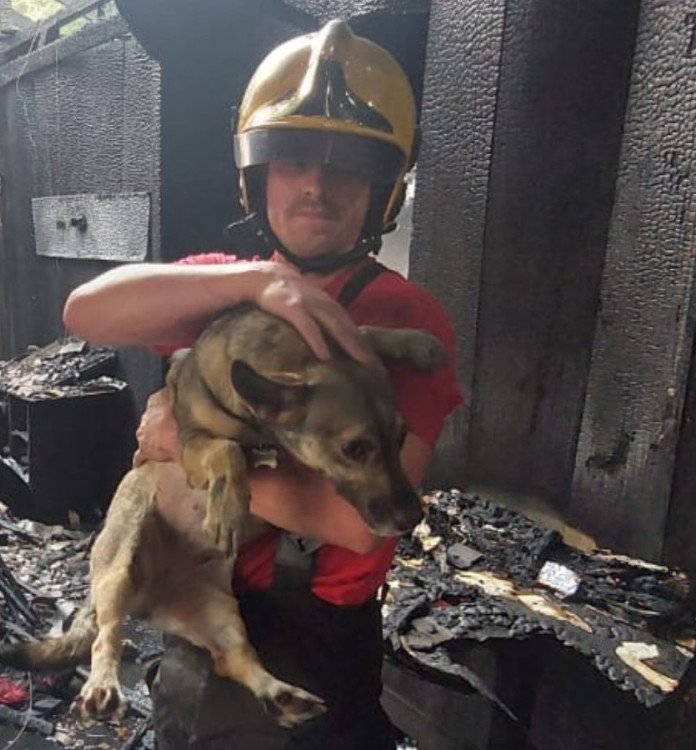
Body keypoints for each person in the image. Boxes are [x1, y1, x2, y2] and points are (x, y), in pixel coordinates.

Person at [63, 19, 463, 749]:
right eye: (292, 159)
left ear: (385, 189)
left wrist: (185, 447)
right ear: (258, 175)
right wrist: (253, 280)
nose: (315, 183)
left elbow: (356, 521)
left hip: (306, 639)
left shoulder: (398, 313)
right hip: (197, 612)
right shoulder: (226, 287)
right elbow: (86, 311)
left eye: (346, 165)